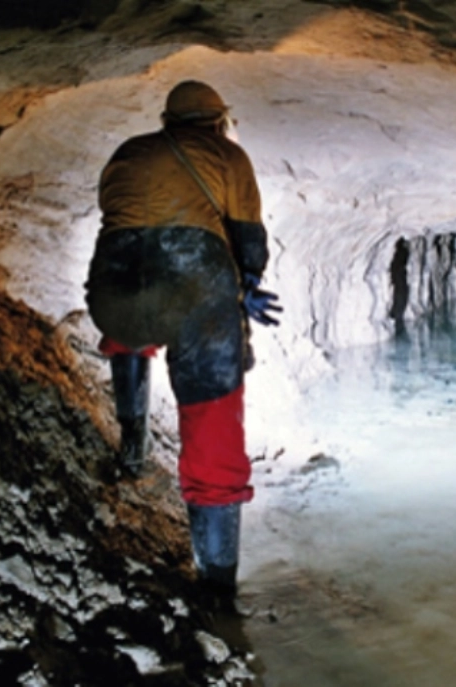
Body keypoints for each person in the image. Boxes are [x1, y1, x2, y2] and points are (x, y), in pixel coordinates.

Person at [85, 80, 281, 598]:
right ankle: (216, 588)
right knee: (213, 428)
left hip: (113, 290)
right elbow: (248, 240)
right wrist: (246, 289)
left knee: (130, 328)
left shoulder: (128, 153)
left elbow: (117, 218)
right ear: (219, 122)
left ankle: (132, 449)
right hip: (197, 295)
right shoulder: (227, 156)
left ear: (168, 122)